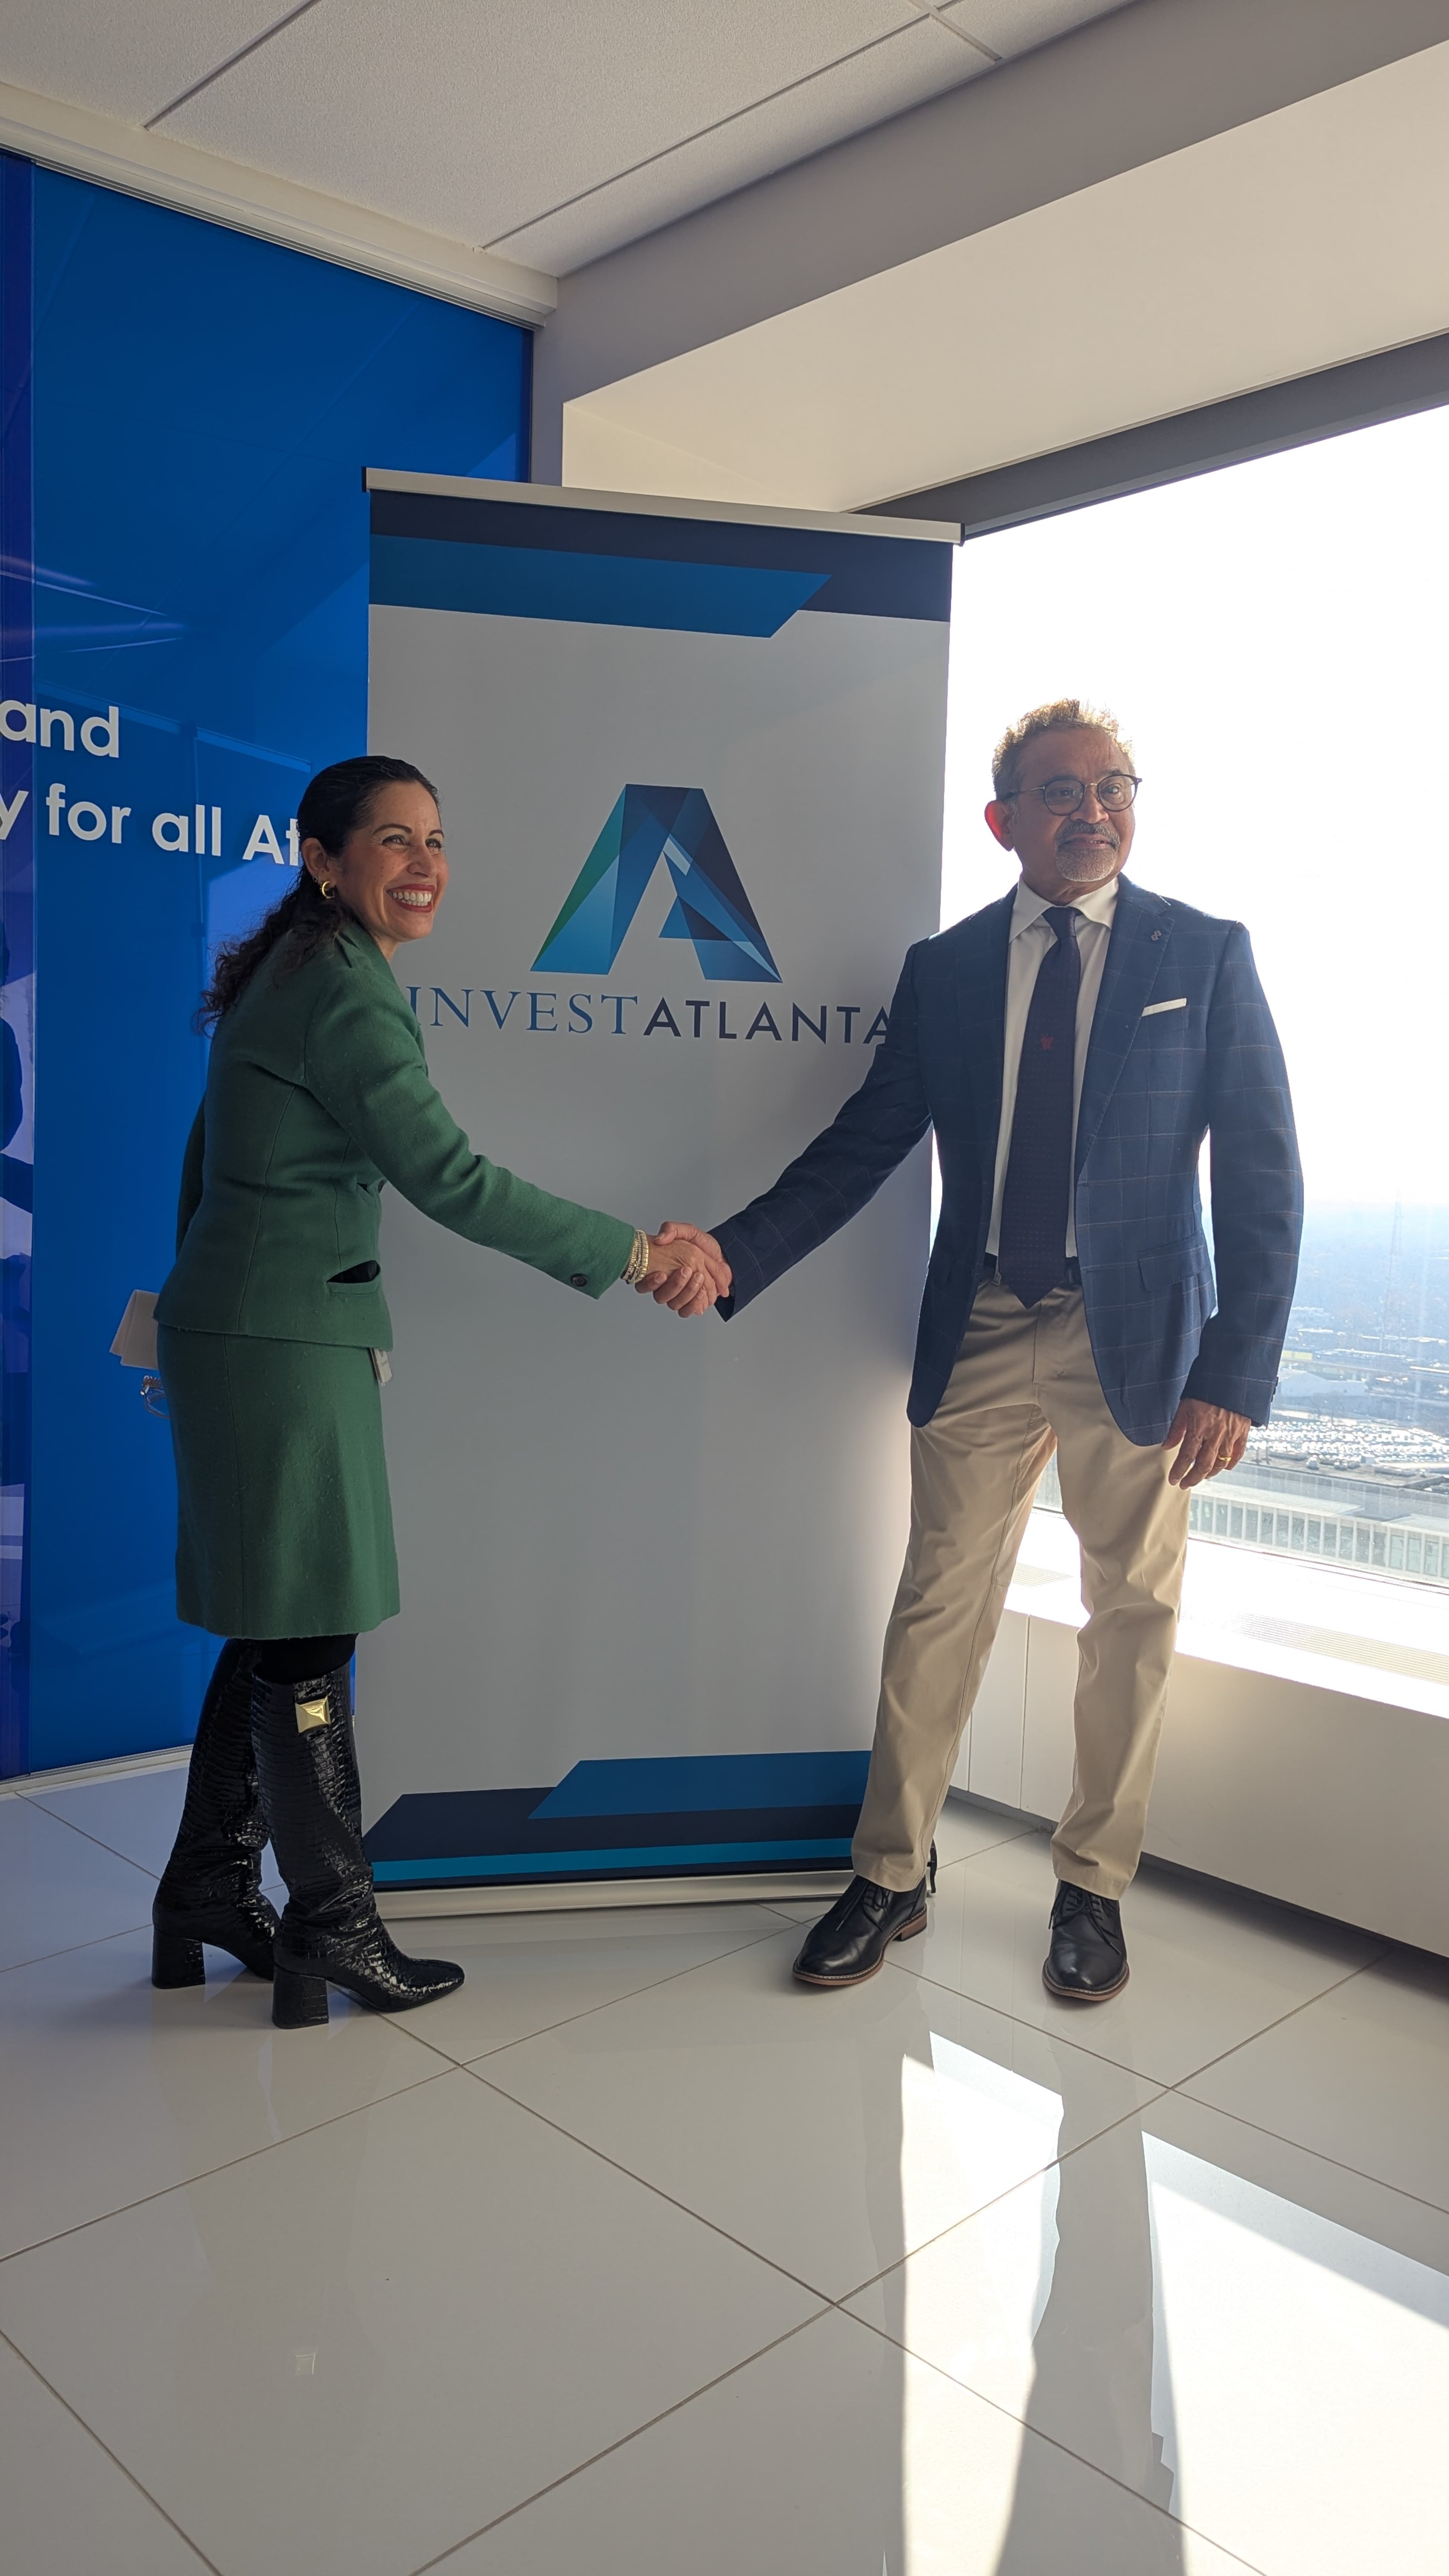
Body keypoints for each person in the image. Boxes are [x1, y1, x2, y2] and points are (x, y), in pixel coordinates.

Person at [652, 699, 1302, 2000]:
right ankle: (892, 1872)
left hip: (1146, 1336)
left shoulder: (1205, 952)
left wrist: (1237, 1368)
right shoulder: (945, 969)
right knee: (938, 1598)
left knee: (1132, 1613)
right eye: (1061, 792)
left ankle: (1094, 1888)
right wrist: (735, 1248)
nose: (1093, 809)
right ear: (1005, 821)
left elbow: (1266, 1169)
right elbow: (864, 1142)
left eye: (1112, 785)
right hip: (989, 1318)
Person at [151, 755, 724, 2029]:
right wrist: (636, 1253)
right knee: (307, 1632)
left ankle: (204, 1889)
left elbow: (203, 1172)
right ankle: (333, 1924)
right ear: (322, 856)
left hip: (257, 1330)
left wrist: (211, 1313)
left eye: (437, 841)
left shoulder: (294, 972)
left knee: (275, 1620)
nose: (424, 865)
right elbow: (450, 1176)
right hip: (280, 1343)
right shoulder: (341, 993)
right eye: (393, 840)